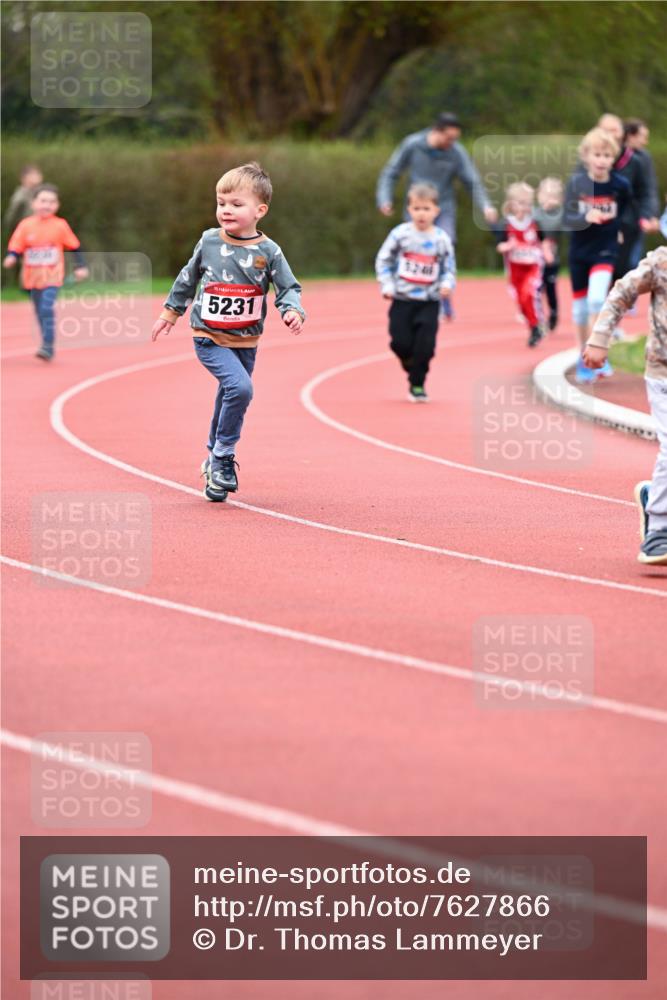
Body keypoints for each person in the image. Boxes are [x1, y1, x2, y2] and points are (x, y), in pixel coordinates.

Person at [151, 162, 305, 502]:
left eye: (236, 204)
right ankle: (222, 457)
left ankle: (212, 459)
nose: (226, 210)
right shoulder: (208, 241)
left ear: (259, 210)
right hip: (208, 336)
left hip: (246, 340)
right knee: (241, 388)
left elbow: (288, 287)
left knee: (229, 395)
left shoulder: (269, 251)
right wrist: (170, 312)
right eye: (221, 203)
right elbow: (187, 279)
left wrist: (292, 309)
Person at [583, 246, 667, 565]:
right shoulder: (660, 263)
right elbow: (621, 293)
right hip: (663, 373)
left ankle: (651, 496)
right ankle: (659, 526)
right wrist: (599, 338)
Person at [376, 112, 497, 320]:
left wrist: (485, 206)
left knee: (444, 244)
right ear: (436, 131)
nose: (452, 143)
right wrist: (384, 199)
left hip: (443, 208)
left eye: (455, 139)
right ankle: (406, 296)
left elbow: (472, 180)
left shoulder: (456, 152)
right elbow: (391, 172)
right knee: (412, 249)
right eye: (449, 138)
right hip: (416, 207)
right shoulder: (413, 144)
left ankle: (442, 296)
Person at [375, 182, 456, 402]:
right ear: (409, 210)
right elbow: (384, 259)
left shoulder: (441, 239)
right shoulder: (400, 235)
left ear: (436, 211)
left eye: (426, 208)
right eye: (417, 208)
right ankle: (408, 362)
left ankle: (418, 384)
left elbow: (449, 267)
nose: (421, 214)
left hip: (429, 301)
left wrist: (447, 284)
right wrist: (387, 284)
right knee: (399, 342)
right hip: (402, 299)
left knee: (426, 347)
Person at [564, 127, 630, 383]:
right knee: (580, 312)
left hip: (606, 249)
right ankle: (585, 357)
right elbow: (566, 217)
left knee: (595, 300)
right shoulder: (577, 184)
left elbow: (625, 209)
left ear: (613, 158)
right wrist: (584, 217)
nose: (602, 160)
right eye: (597, 155)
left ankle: (599, 352)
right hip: (580, 251)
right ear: (586, 157)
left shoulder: (620, 185)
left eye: (606, 155)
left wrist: (620, 229)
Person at [3, 184, 88, 360]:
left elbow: (75, 246)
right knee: (39, 311)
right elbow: (16, 245)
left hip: (52, 276)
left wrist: (81, 266)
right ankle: (45, 342)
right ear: (34, 203)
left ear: (57, 205)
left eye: (51, 202)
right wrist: (11, 257)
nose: (47, 205)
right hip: (32, 278)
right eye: (43, 201)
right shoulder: (26, 225)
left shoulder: (60, 225)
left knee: (46, 308)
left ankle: (48, 346)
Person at [597, 113, 658, 282]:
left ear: (622, 132)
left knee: (623, 269)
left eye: (614, 130)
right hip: (598, 224)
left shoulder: (637, 160)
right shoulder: (588, 159)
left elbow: (647, 191)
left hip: (627, 224)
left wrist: (647, 216)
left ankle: (620, 300)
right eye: (605, 130)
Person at [494, 181, 553, 348]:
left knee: (529, 293)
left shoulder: (534, 223)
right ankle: (533, 325)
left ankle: (537, 326)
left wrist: (547, 253)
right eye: (520, 203)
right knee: (521, 301)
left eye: (528, 203)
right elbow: (499, 246)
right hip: (515, 269)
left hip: (533, 266)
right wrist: (508, 246)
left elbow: (543, 241)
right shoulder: (506, 224)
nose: (524, 207)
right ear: (511, 204)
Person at [623, 118, 661, 269]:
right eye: (643, 136)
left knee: (632, 264)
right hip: (616, 220)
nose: (645, 142)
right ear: (630, 135)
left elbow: (650, 189)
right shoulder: (611, 155)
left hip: (636, 219)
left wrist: (650, 215)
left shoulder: (644, 158)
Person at [533, 177, 564, 331]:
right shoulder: (534, 214)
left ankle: (553, 313)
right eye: (545, 195)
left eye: (553, 196)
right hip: (534, 260)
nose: (549, 200)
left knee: (550, 288)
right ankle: (536, 318)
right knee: (535, 289)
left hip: (552, 259)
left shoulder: (561, 215)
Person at [3, 164, 43, 230]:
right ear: (24, 178)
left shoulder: (41, 190)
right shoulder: (20, 195)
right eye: (34, 174)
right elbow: (12, 215)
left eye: (38, 174)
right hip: (27, 229)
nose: (39, 176)